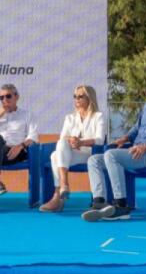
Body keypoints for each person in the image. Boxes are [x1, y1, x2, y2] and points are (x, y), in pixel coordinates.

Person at [82, 74, 146, 221]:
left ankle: (121, 205)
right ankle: (99, 201)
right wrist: (125, 138)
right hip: (135, 152)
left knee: (111, 155)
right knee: (94, 160)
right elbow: (136, 128)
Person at [39, 85, 105, 213]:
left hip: (89, 154)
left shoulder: (98, 116)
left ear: (89, 98)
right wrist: (72, 140)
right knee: (58, 149)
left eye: (80, 96)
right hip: (71, 153)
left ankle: (58, 195)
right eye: (75, 96)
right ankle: (63, 186)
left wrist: (81, 142)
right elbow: (63, 137)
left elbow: (100, 140)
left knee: (55, 156)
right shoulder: (69, 118)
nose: (77, 99)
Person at [0, 84, 38, 214]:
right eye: (1, 97)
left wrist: (21, 146)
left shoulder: (27, 114)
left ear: (16, 97)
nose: (4, 100)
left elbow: (33, 137)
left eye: (8, 96)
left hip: (15, 152)